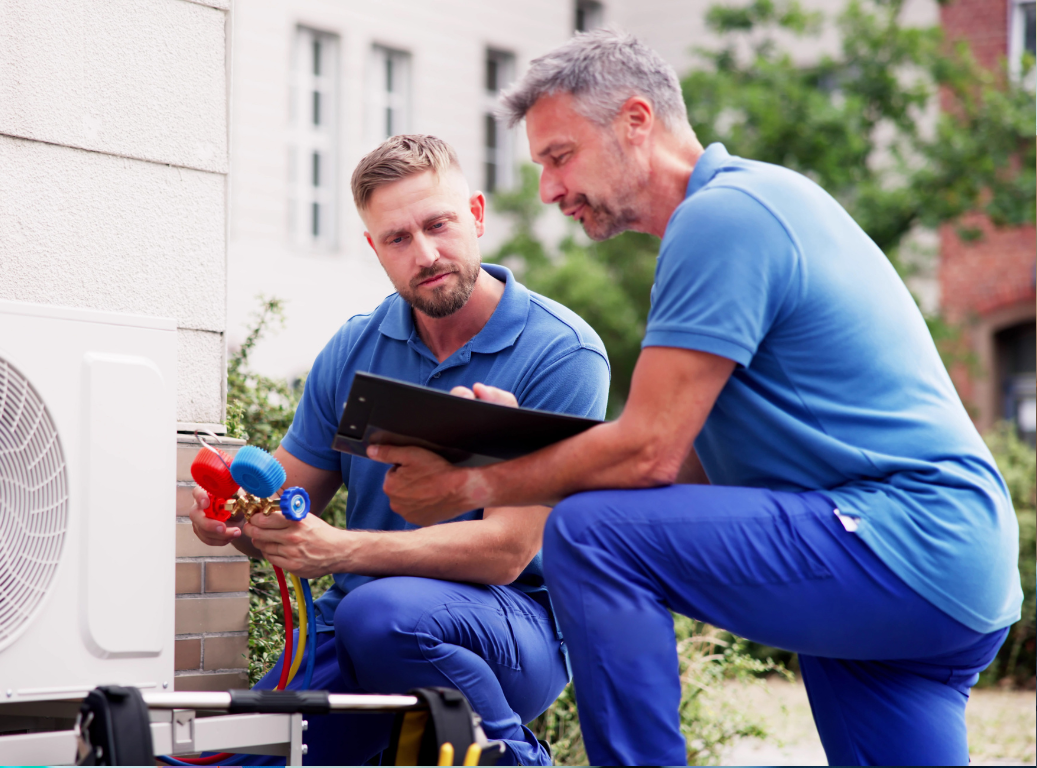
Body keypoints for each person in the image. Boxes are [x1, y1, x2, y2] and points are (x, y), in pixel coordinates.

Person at [370, 31, 1021, 767]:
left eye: (559, 156)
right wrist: (517, 443)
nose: (549, 189)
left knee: (592, 535)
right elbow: (688, 468)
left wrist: (470, 484)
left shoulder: (724, 217)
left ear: (635, 121)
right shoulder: (746, 207)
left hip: (900, 536)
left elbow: (648, 455)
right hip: (948, 564)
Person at [189, 134, 610, 765]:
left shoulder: (561, 354)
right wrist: (239, 520)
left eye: (438, 224)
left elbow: (506, 551)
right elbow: (283, 507)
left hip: (515, 627)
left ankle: (516, 758)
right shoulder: (355, 349)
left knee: (381, 612)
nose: (427, 253)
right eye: (398, 238)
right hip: (353, 624)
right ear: (374, 248)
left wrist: (342, 549)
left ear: (475, 214)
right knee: (235, 757)